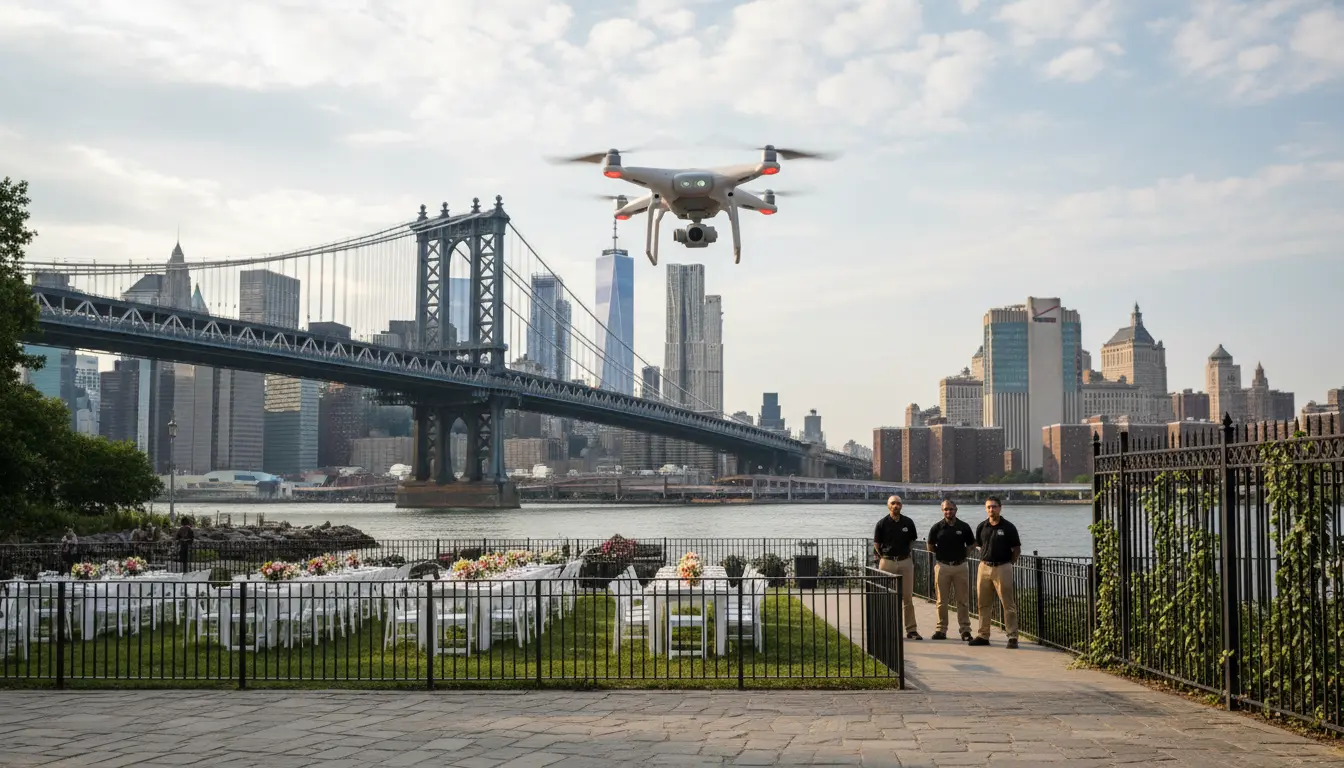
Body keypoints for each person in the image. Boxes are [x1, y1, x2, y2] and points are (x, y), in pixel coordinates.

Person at [968, 496, 1021, 648]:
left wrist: (1009, 563)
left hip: (1002, 567)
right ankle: (983, 635)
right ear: (986, 509)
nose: (992, 509)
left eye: (994, 506)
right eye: (989, 507)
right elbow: (978, 544)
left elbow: (1016, 549)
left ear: (1000, 508)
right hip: (984, 567)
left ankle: (1012, 637)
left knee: (1007, 604)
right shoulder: (981, 526)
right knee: (983, 603)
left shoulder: (1008, 527)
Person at [926, 499, 975, 641]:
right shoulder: (937, 528)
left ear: (956, 510)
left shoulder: (964, 527)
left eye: (951, 509)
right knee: (941, 600)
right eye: (946, 509)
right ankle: (941, 630)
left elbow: (971, 544)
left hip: (961, 567)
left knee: (963, 600)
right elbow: (929, 546)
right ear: (942, 511)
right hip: (943, 567)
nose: (949, 511)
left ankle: (965, 630)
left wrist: (962, 555)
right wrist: (942, 554)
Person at [873, 494, 921, 640]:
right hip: (887, 562)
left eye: (898, 503)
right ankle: (887, 628)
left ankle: (911, 630)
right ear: (888, 505)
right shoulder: (881, 524)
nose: (896, 506)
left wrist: (906, 553)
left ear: (901, 506)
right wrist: (883, 556)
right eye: (893, 503)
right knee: (886, 596)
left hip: (905, 562)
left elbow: (913, 540)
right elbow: (876, 544)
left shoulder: (908, 522)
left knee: (907, 597)